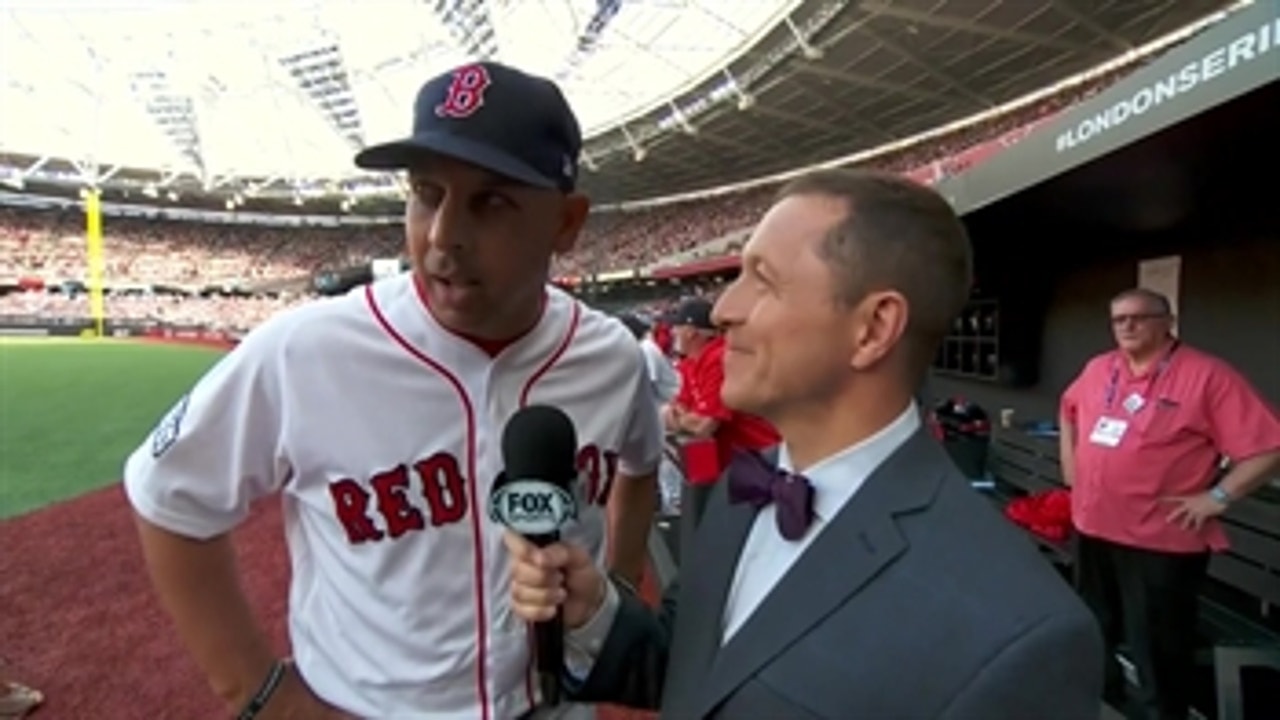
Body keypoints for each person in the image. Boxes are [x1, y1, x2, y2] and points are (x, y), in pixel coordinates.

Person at [122, 61, 661, 720]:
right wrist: (259, 695)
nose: (442, 237)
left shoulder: (608, 355)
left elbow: (640, 466)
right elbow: (169, 494)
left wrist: (618, 593)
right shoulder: (304, 348)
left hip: (560, 706)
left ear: (566, 223)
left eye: (492, 201)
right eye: (427, 193)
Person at [504, 169, 1103, 719]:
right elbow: (691, 677)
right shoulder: (740, 493)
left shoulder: (1022, 631)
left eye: (761, 280)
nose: (723, 309)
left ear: (872, 329)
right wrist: (596, 613)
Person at [1060, 287, 1280, 720]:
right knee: (1092, 627)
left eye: (1139, 317)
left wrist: (1218, 497)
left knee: (1157, 649)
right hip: (1092, 527)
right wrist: (1073, 471)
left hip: (1159, 540)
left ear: (1168, 322)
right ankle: (1103, 705)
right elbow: (1068, 410)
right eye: (1118, 319)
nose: (1126, 326)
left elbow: (1268, 447)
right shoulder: (1099, 368)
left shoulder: (1207, 375)